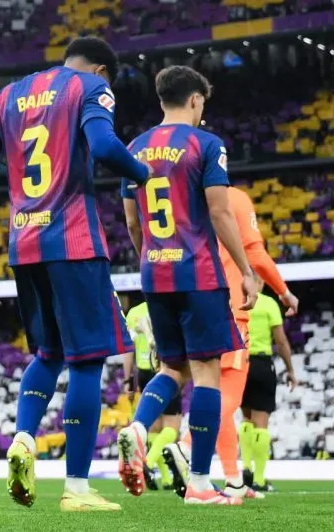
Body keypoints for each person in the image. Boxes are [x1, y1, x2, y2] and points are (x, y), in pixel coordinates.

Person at [0, 35, 149, 512]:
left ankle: (24, 438)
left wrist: (15, 184)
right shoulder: (90, 86)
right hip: (73, 240)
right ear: (102, 71)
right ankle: (77, 489)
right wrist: (142, 173)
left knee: (48, 353)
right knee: (87, 359)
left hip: (25, 241)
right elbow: (105, 146)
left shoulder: (8, 94)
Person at [115, 65, 259, 506]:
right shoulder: (206, 144)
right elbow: (219, 212)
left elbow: (132, 223)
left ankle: (139, 428)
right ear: (195, 99)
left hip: (154, 273)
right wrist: (245, 270)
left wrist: (152, 259)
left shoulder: (133, 148)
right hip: (197, 271)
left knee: (172, 368)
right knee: (206, 373)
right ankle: (198, 482)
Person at [165, 185, 299, 500]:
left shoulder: (184, 196)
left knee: (213, 391)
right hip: (229, 305)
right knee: (230, 397)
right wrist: (284, 292)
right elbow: (256, 254)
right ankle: (187, 445)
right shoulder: (233, 198)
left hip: (191, 300)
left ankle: (234, 479)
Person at [238, 292, 296, 493]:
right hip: (262, 363)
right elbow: (281, 341)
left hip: (241, 362)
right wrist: (290, 370)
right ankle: (259, 479)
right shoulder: (268, 303)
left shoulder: (237, 300)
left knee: (246, 419)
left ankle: (246, 467)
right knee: (261, 422)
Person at [122, 299, 181, 490]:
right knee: (172, 427)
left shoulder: (134, 313)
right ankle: (148, 461)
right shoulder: (168, 306)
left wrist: (127, 379)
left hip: (144, 373)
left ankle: (166, 479)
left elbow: (128, 350)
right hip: (166, 370)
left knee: (154, 429)